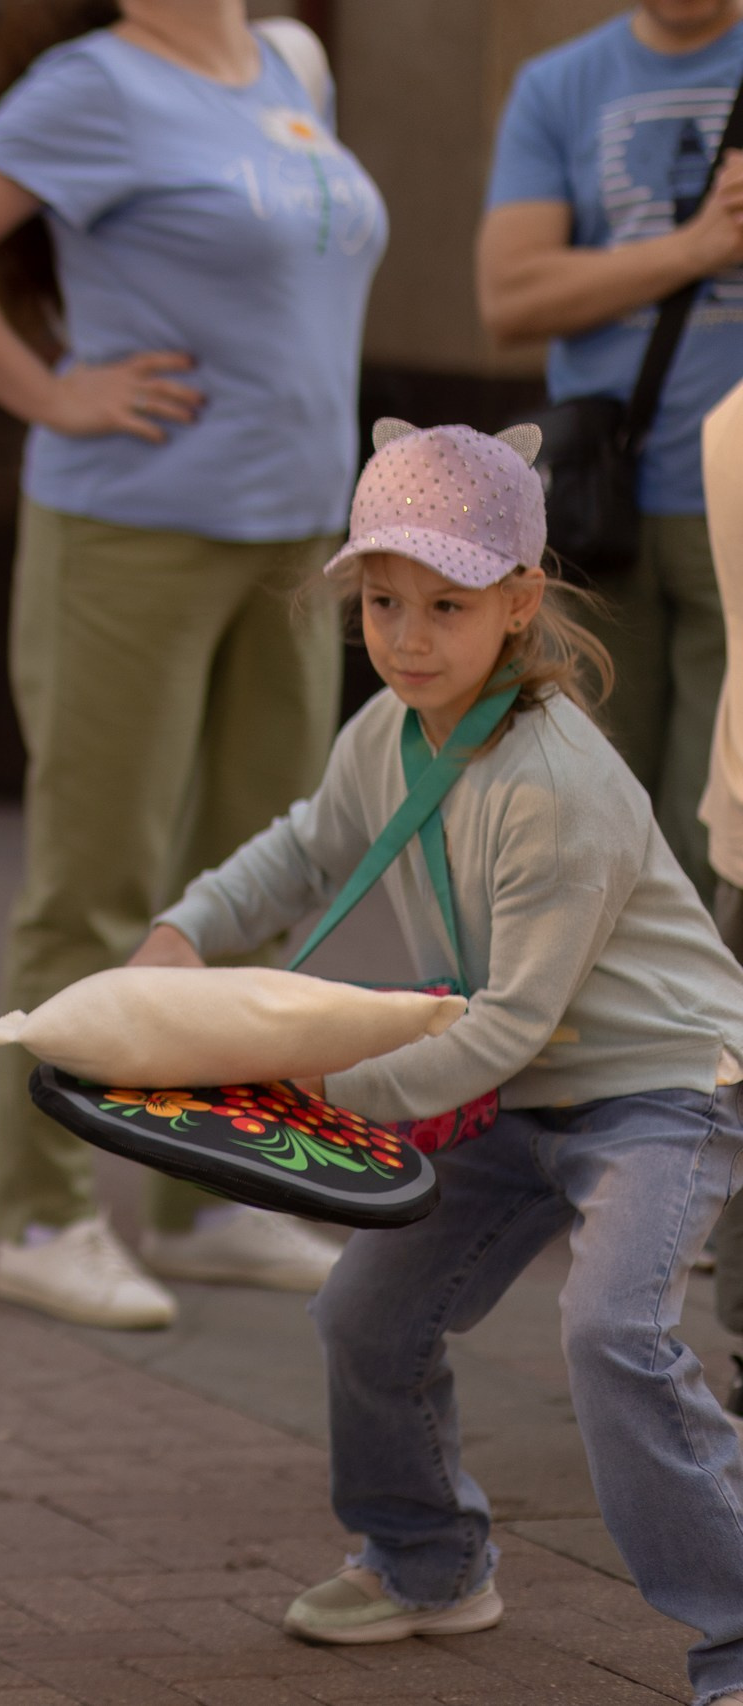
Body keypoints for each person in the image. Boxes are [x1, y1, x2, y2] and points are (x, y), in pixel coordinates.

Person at [135, 421, 743, 1698]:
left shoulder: (556, 784)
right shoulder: (386, 733)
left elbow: (512, 1021)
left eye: (446, 603)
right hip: (507, 1085)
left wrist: (314, 1090)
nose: (406, 635)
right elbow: (303, 850)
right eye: (380, 599)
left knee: (611, 1332)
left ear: (520, 602)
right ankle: (425, 1564)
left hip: (655, 1090)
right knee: (364, 1311)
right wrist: (183, 932)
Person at [0, 0, 385, 1328]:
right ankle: (40, 1214)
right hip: (132, 532)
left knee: (260, 878)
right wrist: (50, 392)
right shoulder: (94, 85)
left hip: (294, 537)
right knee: (95, 882)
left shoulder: (293, 65)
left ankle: (207, 1197)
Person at [480, 0, 743, 906]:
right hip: (605, 514)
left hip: (737, 513)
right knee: (592, 818)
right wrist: (697, 247)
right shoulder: (559, 84)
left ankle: (716, 1044)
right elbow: (509, 294)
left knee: (726, 834)